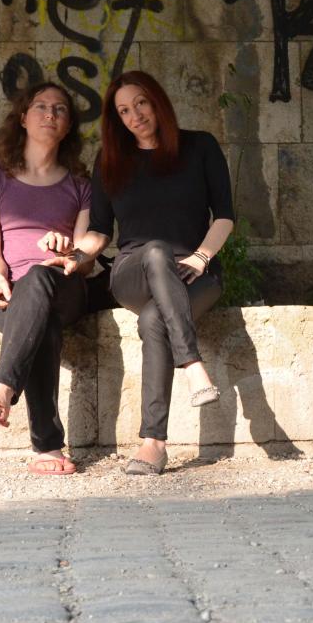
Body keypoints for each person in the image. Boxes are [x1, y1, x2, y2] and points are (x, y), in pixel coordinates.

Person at [49, 70, 235, 475]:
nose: (135, 116)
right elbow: (100, 230)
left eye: (141, 104)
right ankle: (192, 365)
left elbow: (224, 216)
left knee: (154, 321)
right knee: (154, 251)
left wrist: (201, 258)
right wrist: (77, 255)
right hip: (134, 271)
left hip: (194, 270)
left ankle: (153, 443)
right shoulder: (111, 160)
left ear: (157, 101)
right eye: (124, 111)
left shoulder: (200, 147)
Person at [0, 81, 90, 476]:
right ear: (22, 118)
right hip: (7, 292)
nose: (50, 114)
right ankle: (48, 448)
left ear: (68, 126)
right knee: (42, 321)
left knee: (40, 277)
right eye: (40, 106)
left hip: (64, 285)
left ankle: (2, 388)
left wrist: (68, 252)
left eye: (60, 108)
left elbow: (86, 256)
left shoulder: (82, 185)